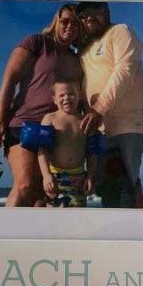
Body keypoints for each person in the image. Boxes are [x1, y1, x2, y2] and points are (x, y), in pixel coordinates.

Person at [0, 4, 83, 207]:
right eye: (65, 21)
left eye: (75, 23)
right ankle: (1, 236)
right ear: (56, 22)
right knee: (26, 186)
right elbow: (9, 79)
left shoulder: (78, 59)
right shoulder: (37, 43)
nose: (70, 26)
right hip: (24, 124)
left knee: (42, 197)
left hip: (57, 131)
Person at [77, 2, 143, 208]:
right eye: (84, 16)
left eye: (96, 13)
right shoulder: (84, 51)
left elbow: (124, 71)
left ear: (107, 12)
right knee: (108, 189)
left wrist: (98, 109)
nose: (90, 19)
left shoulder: (120, 32)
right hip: (100, 131)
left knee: (124, 188)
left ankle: (128, 236)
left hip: (127, 125)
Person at [37, 79, 98, 207]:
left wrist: (90, 176)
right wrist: (46, 175)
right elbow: (42, 150)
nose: (66, 98)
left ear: (79, 96)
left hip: (79, 177)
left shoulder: (85, 120)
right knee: (54, 217)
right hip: (55, 177)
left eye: (71, 94)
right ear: (54, 99)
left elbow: (92, 153)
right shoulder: (50, 119)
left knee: (77, 218)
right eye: (61, 95)